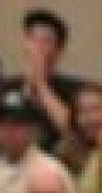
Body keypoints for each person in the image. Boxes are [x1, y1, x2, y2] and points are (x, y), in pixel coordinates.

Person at [12, 7, 83, 152]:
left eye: (46, 41)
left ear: (59, 50)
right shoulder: (8, 86)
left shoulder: (74, 89)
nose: (38, 46)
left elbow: (75, 131)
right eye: (32, 39)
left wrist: (41, 85)